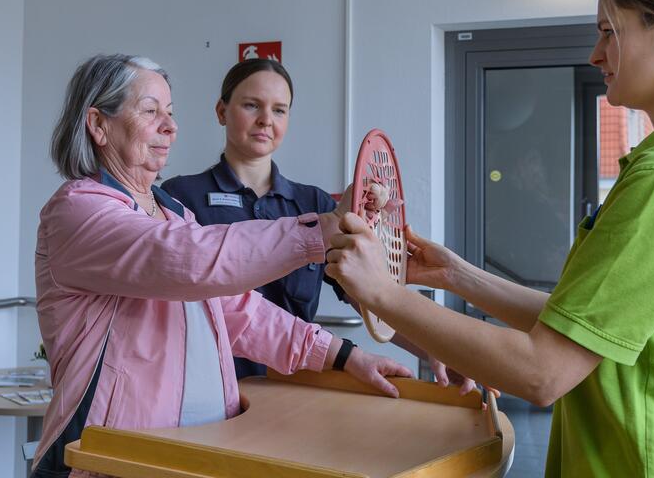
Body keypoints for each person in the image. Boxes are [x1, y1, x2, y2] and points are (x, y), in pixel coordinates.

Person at [325, 0, 654, 477]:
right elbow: (586, 327)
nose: (596, 54)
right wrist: (454, 275)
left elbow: (543, 372)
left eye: (609, 32)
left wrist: (382, 293)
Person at [31, 54, 411, 477]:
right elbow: (189, 260)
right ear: (99, 125)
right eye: (150, 111)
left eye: (170, 112)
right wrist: (321, 231)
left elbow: (239, 310)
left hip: (199, 455)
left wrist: (344, 355)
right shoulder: (77, 211)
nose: (170, 127)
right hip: (108, 461)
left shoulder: (173, 211)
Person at [161, 58, 476, 391]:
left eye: (279, 110)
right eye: (251, 105)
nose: (266, 120)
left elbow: (370, 297)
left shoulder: (316, 205)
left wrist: (434, 349)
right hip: (207, 387)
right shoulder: (180, 195)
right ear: (222, 111)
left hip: (294, 387)